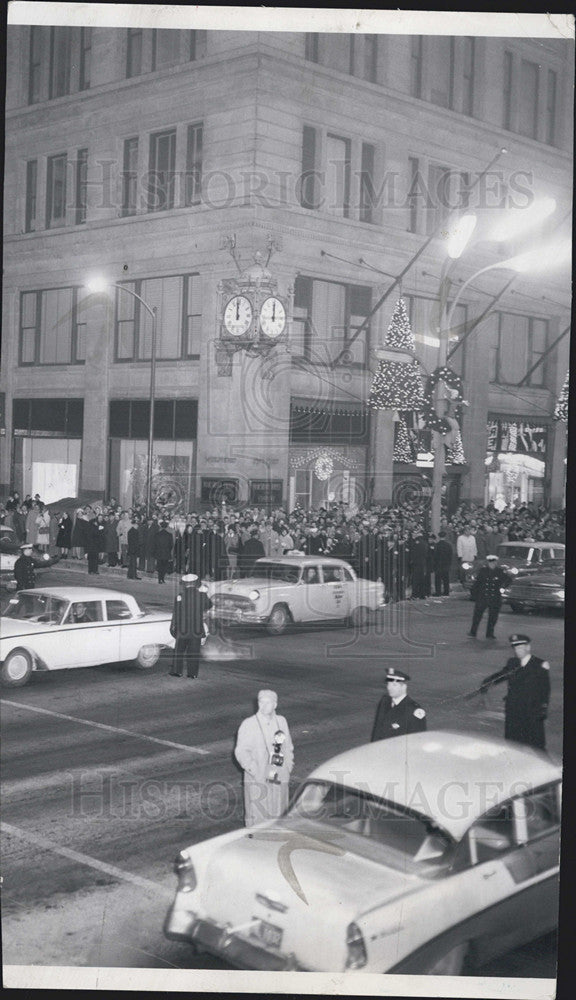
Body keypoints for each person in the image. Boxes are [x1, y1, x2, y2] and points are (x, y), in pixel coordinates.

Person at [234, 689, 294, 827]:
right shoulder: (249, 724)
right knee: (258, 816)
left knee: (279, 815)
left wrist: (288, 766)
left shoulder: (281, 721)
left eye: (268, 702)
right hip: (258, 779)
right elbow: (241, 752)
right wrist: (256, 772)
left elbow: (288, 746)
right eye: (261, 702)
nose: (264, 706)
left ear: (275, 705)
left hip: (279, 776)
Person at [480, 634, 551, 750]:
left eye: (521, 647)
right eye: (516, 648)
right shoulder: (512, 662)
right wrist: (488, 682)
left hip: (531, 713)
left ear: (528, 647)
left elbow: (545, 690)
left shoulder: (540, 665)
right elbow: (502, 675)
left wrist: (543, 709)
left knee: (537, 747)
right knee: (512, 745)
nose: (518, 651)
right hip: (513, 712)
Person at [169, 574, 213, 679]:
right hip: (196, 629)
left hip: (182, 629)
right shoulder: (201, 595)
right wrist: (205, 593)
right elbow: (209, 605)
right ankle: (192, 674)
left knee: (178, 651)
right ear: (195, 583)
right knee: (194, 652)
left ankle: (177, 671)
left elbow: (176, 614)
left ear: (185, 584)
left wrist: (173, 628)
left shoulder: (179, 597)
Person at [371, 668, 427, 741]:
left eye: (394, 685)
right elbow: (377, 731)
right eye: (388, 684)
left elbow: (417, 740)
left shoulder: (413, 711)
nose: (389, 688)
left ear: (404, 687)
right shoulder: (385, 701)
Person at [468, 553, 512, 639]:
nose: (492, 564)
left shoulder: (500, 572)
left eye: (494, 562)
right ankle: (473, 632)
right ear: (488, 563)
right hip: (483, 596)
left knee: (493, 616)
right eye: (490, 562)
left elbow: (508, 580)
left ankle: (490, 633)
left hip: (494, 597)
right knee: (477, 615)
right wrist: (474, 594)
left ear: (496, 563)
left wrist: (502, 587)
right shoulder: (483, 571)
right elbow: (477, 583)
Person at [433, 529, 453, 596]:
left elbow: (435, 555)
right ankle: (446, 592)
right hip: (446, 564)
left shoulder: (437, 545)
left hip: (438, 564)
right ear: (445, 536)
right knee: (446, 579)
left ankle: (438, 592)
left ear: (439, 537)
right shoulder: (448, 545)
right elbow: (450, 555)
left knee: (438, 580)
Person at [154, 520, 173, 584]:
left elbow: (155, 544)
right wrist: (168, 550)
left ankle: (159, 579)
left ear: (161, 527)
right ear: (166, 527)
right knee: (164, 566)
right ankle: (163, 578)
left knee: (159, 566)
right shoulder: (169, 535)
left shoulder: (157, 534)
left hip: (159, 552)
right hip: (166, 553)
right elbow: (171, 545)